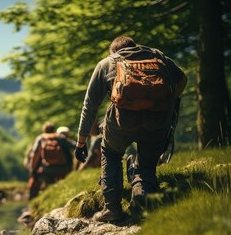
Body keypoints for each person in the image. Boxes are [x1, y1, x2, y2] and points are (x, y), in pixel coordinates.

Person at [74, 36, 187, 222]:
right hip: (157, 121)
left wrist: (81, 142)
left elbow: (90, 106)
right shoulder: (159, 57)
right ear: (134, 47)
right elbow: (183, 79)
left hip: (122, 123)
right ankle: (141, 201)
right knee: (145, 166)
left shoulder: (107, 63)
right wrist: (170, 101)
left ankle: (112, 210)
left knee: (110, 154)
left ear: (113, 51)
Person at [28, 122, 73, 200]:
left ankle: (50, 199)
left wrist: (32, 170)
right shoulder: (60, 137)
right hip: (63, 168)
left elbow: (35, 155)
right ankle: (62, 198)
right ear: (54, 129)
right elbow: (74, 146)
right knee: (62, 185)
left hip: (47, 169)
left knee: (48, 184)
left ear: (44, 130)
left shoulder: (40, 138)